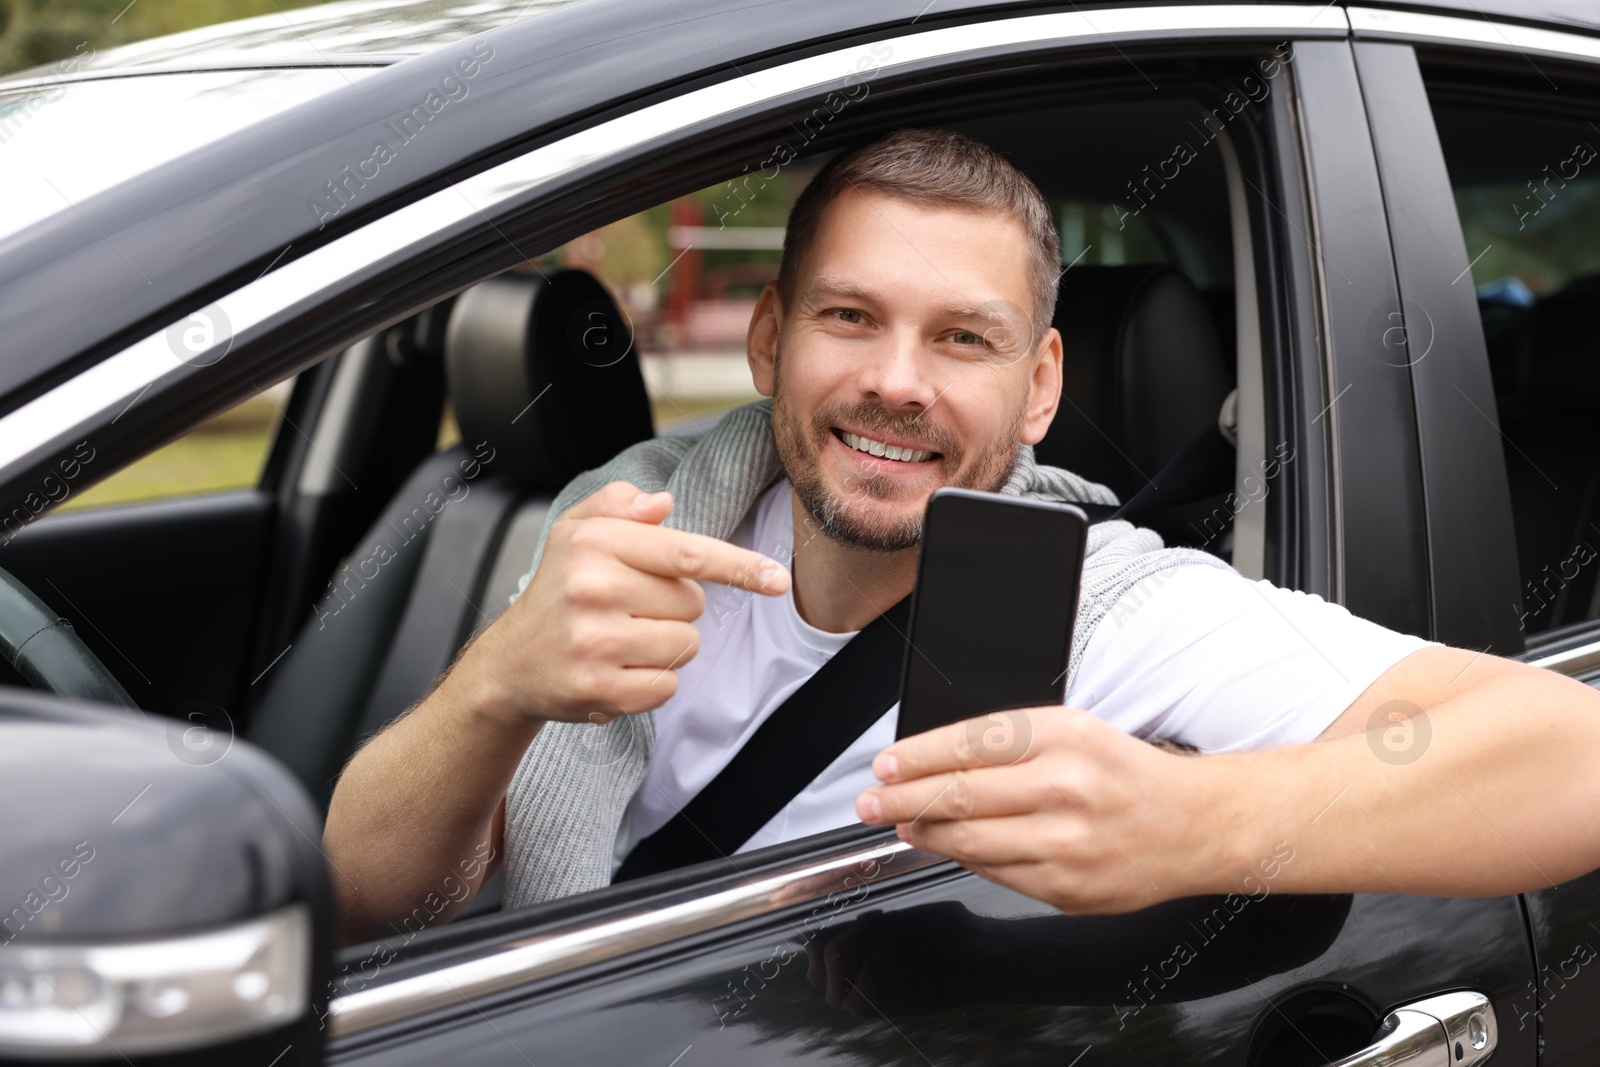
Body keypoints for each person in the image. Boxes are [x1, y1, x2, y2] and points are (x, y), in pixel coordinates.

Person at [324, 127, 1600, 944]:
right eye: (849, 317)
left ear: (1039, 384)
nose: (897, 382)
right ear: (770, 337)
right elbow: (381, 898)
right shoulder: (631, 519)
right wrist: (493, 688)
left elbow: (1572, 758)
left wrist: (1201, 817)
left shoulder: (1111, 610)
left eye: (961, 337)